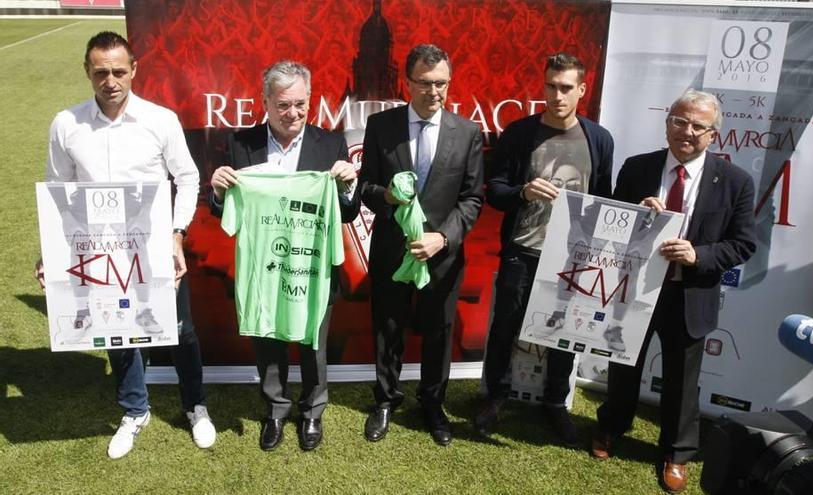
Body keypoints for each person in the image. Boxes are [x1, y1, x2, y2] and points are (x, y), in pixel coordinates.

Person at [36, 31, 215, 459]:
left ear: (134, 70)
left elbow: (187, 178)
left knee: (180, 330)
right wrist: (51, 254)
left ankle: (195, 406)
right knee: (116, 332)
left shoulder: (160, 120)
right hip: (99, 249)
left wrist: (176, 234)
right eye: (101, 72)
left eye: (119, 71)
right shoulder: (67, 124)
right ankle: (135, 410)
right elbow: (59, 191)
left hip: (155, 247)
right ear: (87, 72)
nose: (110, 81)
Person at [590, 89, 756, 493]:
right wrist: (635, 218)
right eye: (679, 121)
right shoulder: (636, 168)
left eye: (699, 126)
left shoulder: (735, 181)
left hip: (689, 294)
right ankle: (612, 426)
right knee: (623, 365)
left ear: (714, 135)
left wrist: (697, 254)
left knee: (683, 379)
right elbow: (607, 229)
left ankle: (677, 452)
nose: (687, 131)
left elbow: (743, 244)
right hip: (635, 290)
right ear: (667, 123)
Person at [209, 60, 358, 452]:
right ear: (266, 102)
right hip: (265, 265)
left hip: (312, 265)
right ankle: (276, 408)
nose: (292, 113)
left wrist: (347, 186)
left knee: (314, 344)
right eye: (283, 105)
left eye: (301, 104)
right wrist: (220, 191)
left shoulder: (330, 144)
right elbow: (222, 211)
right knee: (268, 338)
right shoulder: (241, 144)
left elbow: (347, 212)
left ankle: (312, 412)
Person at [477, 53, 614, 446]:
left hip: (574, 257)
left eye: (566, 87)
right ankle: (495, 396)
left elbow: (605, 200)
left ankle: (556, 403)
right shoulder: (519, 133)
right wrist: (523, 191)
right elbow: (495, 192)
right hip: (523, 249)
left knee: (565, 333)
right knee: (505, 327)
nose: (557, 95)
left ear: (582, 90)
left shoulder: (599, 139)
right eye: (551, 86)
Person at [358, 44, 483, 446]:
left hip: (442, 255)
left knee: (438, 332)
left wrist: (442, 237)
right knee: (388, 329)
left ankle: (432, 403)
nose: (435, 91)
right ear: (408, 82)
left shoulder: (467, 133)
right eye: (426, 83)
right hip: (393, 252)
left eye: (442, 83)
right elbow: (365, 188)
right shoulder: (381, 126)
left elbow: (472, 198)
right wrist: (388, 198)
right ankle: (385, 400)